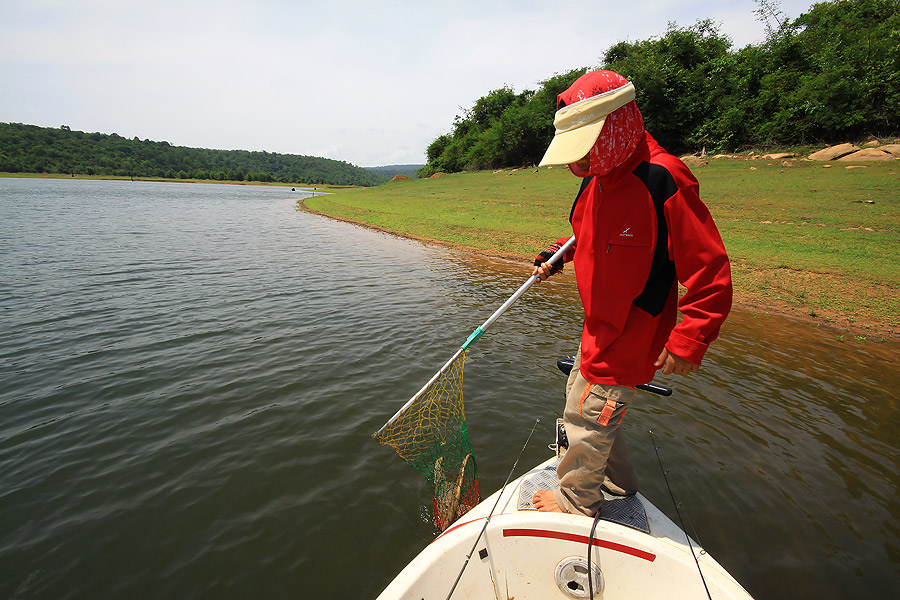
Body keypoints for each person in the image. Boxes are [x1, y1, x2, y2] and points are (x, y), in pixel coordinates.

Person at [530, 70, 732, 516]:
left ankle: (575, 499)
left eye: (582, 154)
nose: (574, 166)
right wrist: (558, 254)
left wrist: (690, 337)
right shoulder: (597, 177)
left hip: (632, 332)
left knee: (588, 412)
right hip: (596, 327)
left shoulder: (663, 179)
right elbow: (585, 234)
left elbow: (710, 268)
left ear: (615, 126)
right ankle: (620, 482)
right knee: (585, 405)